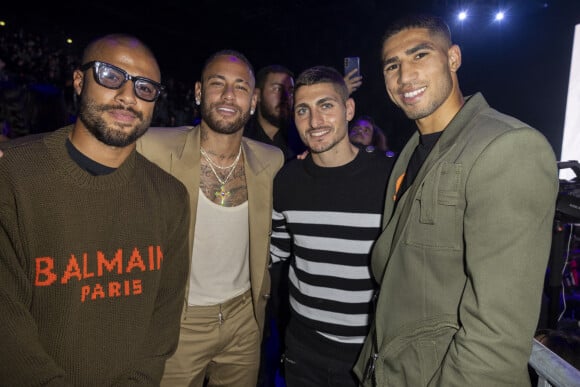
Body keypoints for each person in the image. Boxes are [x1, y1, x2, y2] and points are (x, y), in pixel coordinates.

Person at [354, 14, 559, 386]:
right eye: (392, 65)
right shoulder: (410, 153)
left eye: (419, 56)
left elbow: (496, 335)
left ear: (453, 58)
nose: (404, 76)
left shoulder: (506, 146)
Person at [0, 33, 190, 385]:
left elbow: (164, 314)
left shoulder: (170, 196)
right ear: (78, 80)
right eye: (110, 75)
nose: (128, 95)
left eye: (145, 88)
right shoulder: (12, 176)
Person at [136, 49, 284, 387]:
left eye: (240, 87)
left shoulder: (272, 160)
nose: (229, 96)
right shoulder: (153, 147)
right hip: (180, 322)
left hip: (244, 320)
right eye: (217, 84)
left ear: (253, 100)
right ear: (200, 93)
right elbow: (94, 145)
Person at [270, 65, 394, 387]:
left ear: (348, 109)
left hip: (371, 352)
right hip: (303, 350)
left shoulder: (389, 177)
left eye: (326, 106)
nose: (314, 122)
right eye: (303, 110)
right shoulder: (287, 180)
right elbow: (275, 252)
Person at [244, 64, 305, 162]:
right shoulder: (240, 138)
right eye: (277, 89)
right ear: (257, 95)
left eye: (290, 92)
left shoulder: (303, 139)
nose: (285, 97)